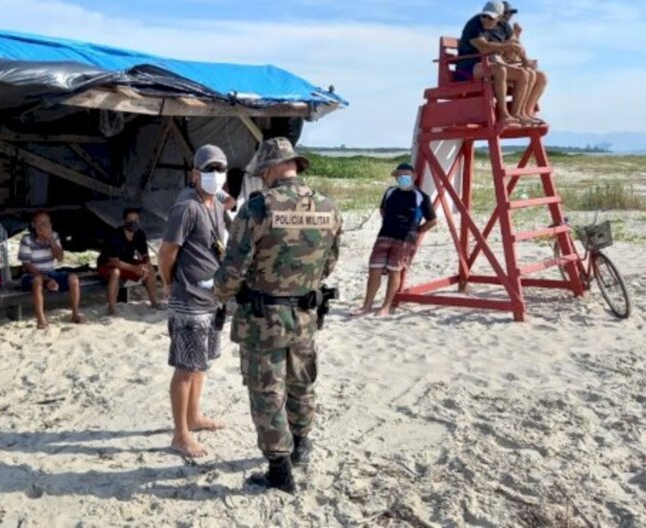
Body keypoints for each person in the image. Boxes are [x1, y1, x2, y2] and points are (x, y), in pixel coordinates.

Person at [213, 137, 342, 494]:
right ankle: (301, 445)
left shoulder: (257, 208)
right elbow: (330, 263)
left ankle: (279, 469)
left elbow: (232, 270)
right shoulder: (328, 207)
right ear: (296, 166)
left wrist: (218, 294)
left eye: (262, 173)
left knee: (267, 389)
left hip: (262, 319)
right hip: (305, 314)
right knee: (301, 381)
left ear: (269, 169)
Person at [159, 144, 229, 458]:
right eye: (209, 169)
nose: (215, 175)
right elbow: (167, 254)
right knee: (186, 367)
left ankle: (194, 416)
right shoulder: (186, 207)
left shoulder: (214, 204)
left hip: (211, 298)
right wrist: (169, 283)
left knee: (201, 363)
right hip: (188, 297)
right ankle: (180, 434)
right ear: (195, 173)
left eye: (220, 169)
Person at [354, 162, 437, 317]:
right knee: (374, 270)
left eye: (406, 175)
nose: (402, 178)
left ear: (414, 176)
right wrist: (389, 223)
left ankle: (385, 307)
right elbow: (383, 209)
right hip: (384, 234)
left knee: (394, 271)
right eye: (399, 175)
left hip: (405, 239)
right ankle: (367, 305)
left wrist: (417, 230)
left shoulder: (421, 197)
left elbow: (432, 220)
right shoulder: (390, 192)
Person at [455, 0, 535, 129]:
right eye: (484, 16)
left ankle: (518, 113)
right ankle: (503, 114)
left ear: (499, 17)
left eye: (490, 18)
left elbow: (513, 48)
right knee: (500, 70)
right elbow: (484, 48)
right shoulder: (474, 24)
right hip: (468, 67)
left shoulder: (503, 26)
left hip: (490, 65)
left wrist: (524, 58)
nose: (486, 20)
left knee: (525, 74)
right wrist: (509, 45)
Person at [18, 211, 83, 329]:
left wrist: (51, 241)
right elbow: (27, 266)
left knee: (73, 278)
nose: (44, 226)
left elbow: (60, 258)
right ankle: (41, 319)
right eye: (41, 223)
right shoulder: (26, 239)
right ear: (33, 225)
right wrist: (47, 280)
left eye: (46, 223)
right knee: (37, 280)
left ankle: (75, 314)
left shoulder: (54, 236)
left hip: (50, 271)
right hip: (31, 275)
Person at [97, 207, 160, 315]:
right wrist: (135, 268)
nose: (134, 223)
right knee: (116, 272)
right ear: (125, 221)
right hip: (108, 264)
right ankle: (112, 308)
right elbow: (114, 261)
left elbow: (144, 254)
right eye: (131, 220)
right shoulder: (115, 235)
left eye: (136, 220)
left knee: (149, 268)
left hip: (127, 262)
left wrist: (145, 264)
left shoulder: (140, 234)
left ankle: (154, 302)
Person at [495, 1, 547, 124]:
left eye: (510, 13)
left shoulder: (506, 29)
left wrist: (526, 61)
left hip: (508, 66)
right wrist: (516, 36)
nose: (509, 16)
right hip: (498, 67)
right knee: (526, 73)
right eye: (507, 13)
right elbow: (503, 55)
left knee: (542, 77)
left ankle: (527, 112)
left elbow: (516, 53)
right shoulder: (493, 29)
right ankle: (516, 113)